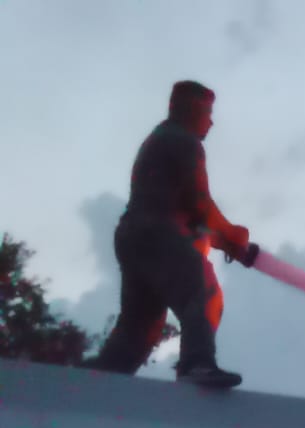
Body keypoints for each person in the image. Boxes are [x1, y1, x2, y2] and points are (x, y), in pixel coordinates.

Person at [87, 81, 253, 388]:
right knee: (202, 293)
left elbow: (185, 213)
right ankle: (196, 365)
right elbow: (199, 204)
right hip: (157, 233)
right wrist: (233, 232)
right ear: (192, 110)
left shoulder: (158, 140)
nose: (211, 122)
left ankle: (99, 379)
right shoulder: (185, 142)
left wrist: (224, 240)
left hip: (134, 235)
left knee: (140, 326)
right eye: (208, 112)